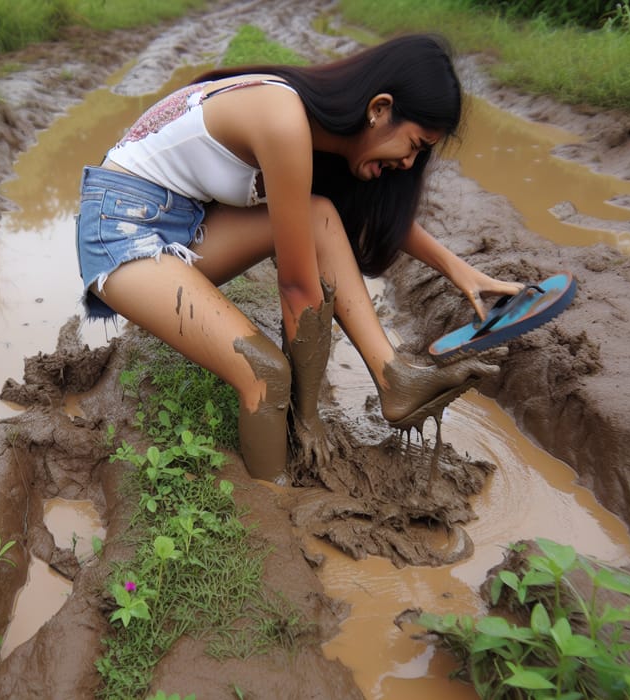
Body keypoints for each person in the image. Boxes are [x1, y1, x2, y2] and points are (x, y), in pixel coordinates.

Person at [75, 34, 521, 481]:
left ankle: (394, 377)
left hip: (181, 221)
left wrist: (459, 271)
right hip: (120, 229)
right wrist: (306, 416)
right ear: (380, 108)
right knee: (266, 374)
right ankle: (274, 503)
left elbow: (373, 215)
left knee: (321, 213)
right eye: (417, 145)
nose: (409, 163)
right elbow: (297, 286)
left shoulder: (311, 127)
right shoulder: (284, 121)